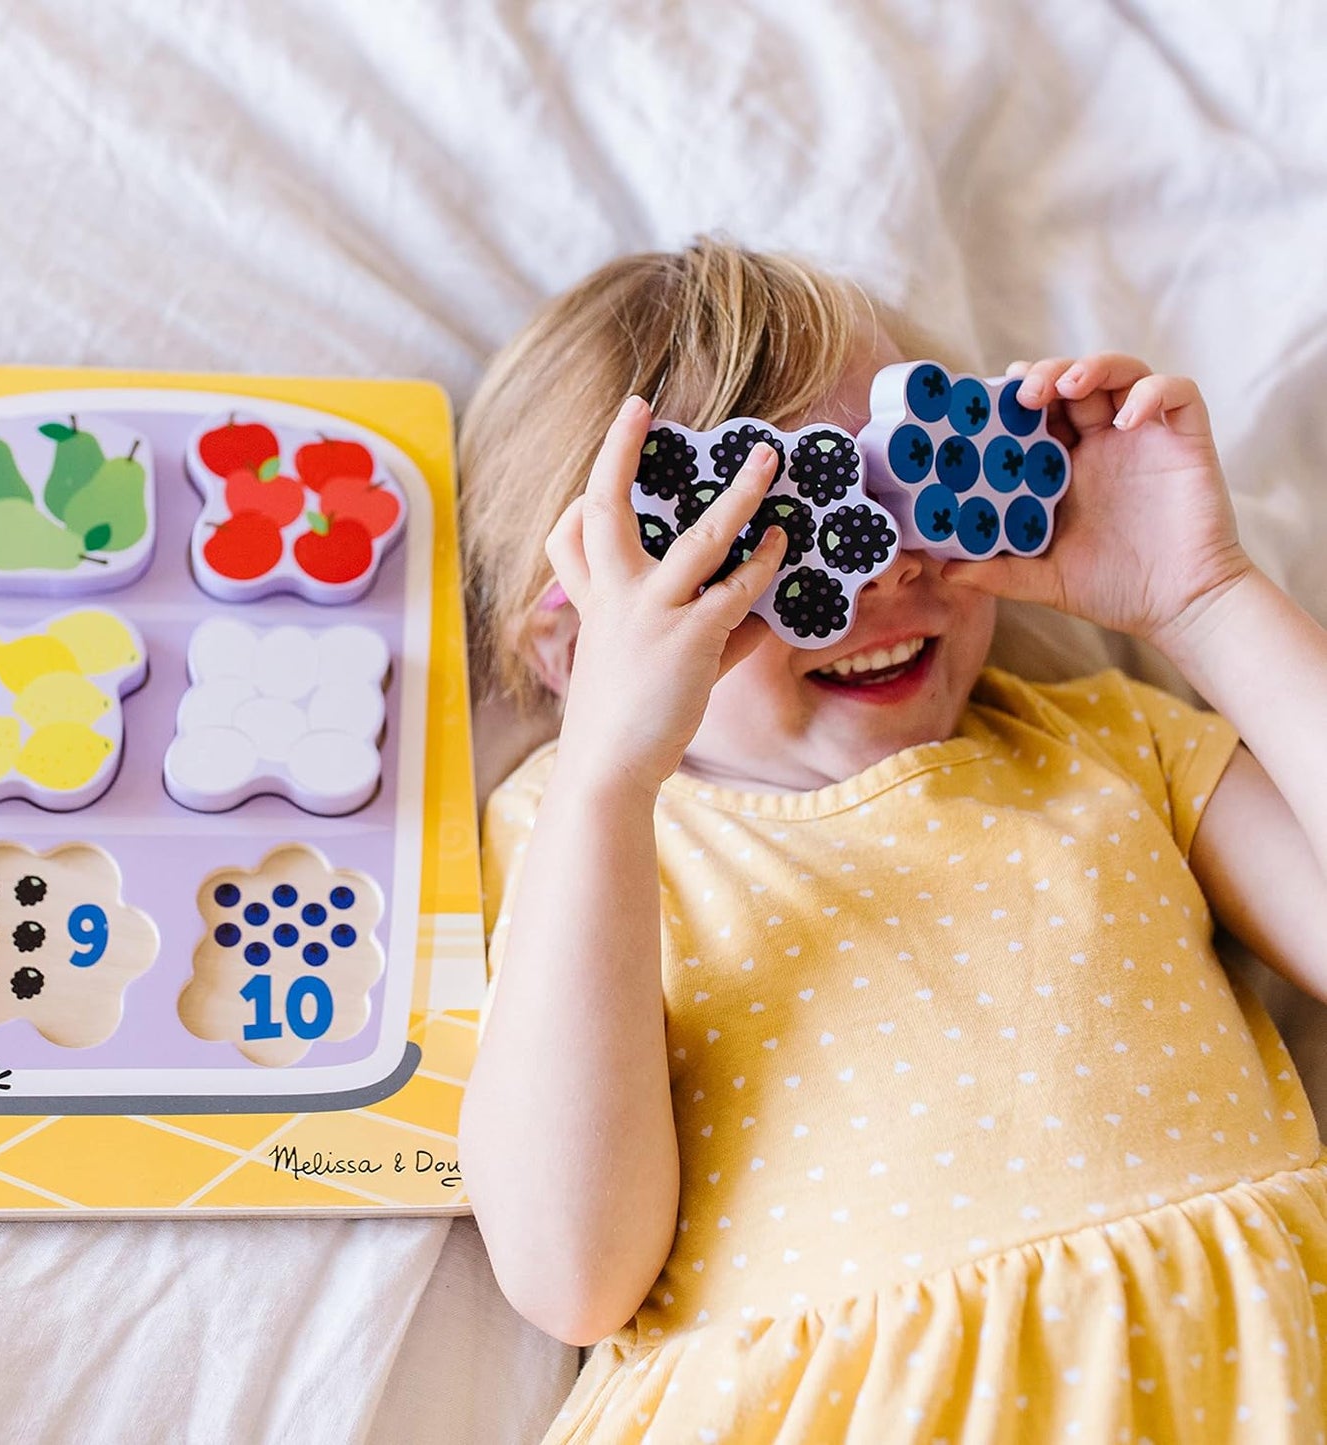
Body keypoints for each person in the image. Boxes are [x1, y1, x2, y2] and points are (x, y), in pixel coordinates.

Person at [457, 238, 1327, 1442]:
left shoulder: (1107, 744)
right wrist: (608, 770)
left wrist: (1204, 600)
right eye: (773, 550)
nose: (886, 573)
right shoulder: (585, 836)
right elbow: (570, 1269)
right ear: (568, 654)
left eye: (909, 490)